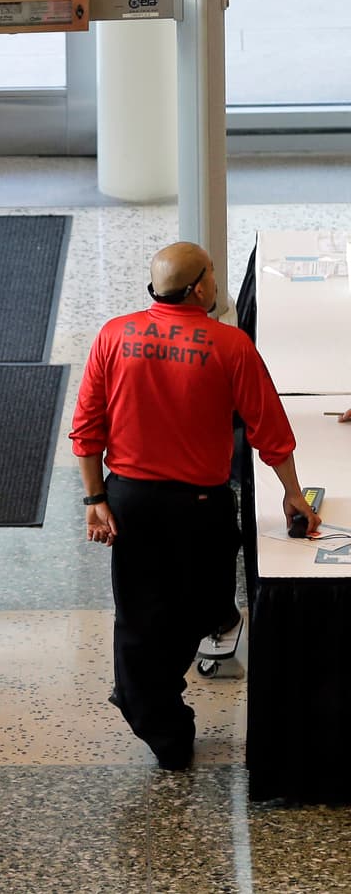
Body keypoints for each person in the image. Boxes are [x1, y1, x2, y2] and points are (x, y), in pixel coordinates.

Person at [70, 242, 320, 771]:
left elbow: (87, 429)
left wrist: (95, 498)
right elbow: (269, 431)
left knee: (142, 614)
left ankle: (150, 698)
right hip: (201, 508)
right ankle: (160, 717)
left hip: (130, 500)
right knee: (191, 608)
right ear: (203, 286)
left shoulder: (114, 335)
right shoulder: (229, 346)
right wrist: (293, 494)